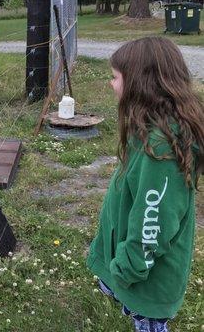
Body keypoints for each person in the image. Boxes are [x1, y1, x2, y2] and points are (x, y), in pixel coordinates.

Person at [86, 37, 204, 332]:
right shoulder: (149, 131)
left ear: (140, 83)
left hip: (148, 281)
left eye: (115, 77)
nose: (111, 84)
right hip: (141, 274)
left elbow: (154, 225)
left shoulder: (160, 149)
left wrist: (125, 268)